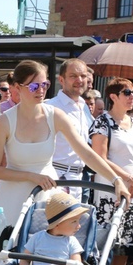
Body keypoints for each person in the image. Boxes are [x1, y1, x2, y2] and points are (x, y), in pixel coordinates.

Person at [0, 60, 130, 265]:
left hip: (48, 194)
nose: (40, 91)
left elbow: (86, 152)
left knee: (49, 259)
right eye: (33, 86)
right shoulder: (5, 121)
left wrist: (116, 180)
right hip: (13, 195)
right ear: (18, 87)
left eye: (44, 85)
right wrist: (31, 176)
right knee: (8, 258)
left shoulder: (54, 115)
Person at [89, 78, 133, 265]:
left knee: (124, 245)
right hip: (109, 192)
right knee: (108, 246)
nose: (132, 96)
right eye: (127, 92)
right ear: (113, 96)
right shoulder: (102, 122)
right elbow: (100, 158)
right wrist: (128, 178)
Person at [45, 58, 92, 201]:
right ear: (61, 80)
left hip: (80, 180)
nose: (79, 80)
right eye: (73, 76)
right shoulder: (50, 107)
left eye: (83, 76)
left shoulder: (84, 107)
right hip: (57, 179)